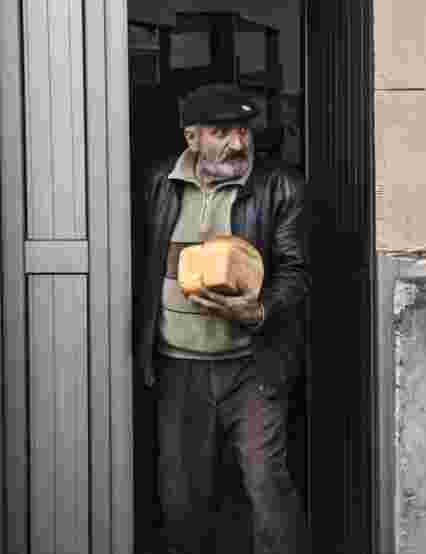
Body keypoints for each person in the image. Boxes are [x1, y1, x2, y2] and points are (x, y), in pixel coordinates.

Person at [135, 82, 310, 554]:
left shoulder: (280, 187)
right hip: (178, 366)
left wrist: (258, 309)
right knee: (182, 497)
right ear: (192, 139)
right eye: (221, 132)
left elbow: (297, 273)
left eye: (244, 130)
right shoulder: (157, 183)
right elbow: (135, 266)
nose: (238, 143)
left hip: (252, 364)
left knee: (267, 486)